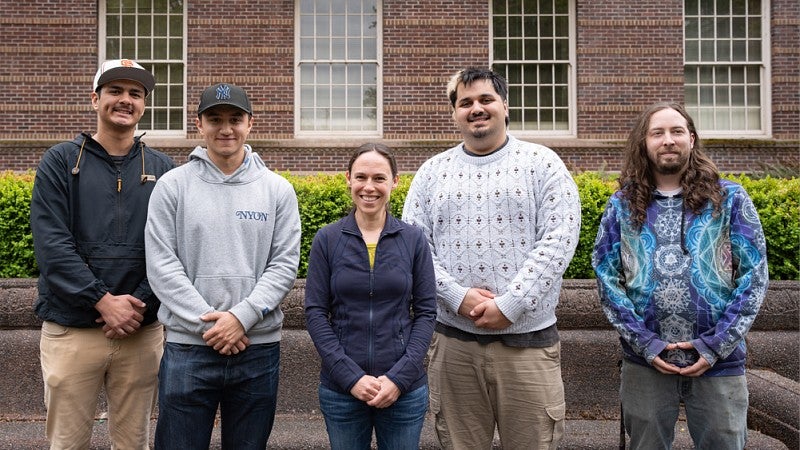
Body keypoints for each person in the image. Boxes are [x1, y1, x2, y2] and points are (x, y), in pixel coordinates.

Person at [401, 67, 581, 449]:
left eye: (486, 99)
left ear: (505, 106)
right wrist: (456, 296)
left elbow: (558, 240)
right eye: (465, 102)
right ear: (454, 114)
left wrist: (511, 304)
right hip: (454, 346)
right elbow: (414, 248)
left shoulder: (543, 164)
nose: (476, 108)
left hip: (528, 348)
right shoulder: (432, 173)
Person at [592, 102, 768, 449]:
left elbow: (753, 276)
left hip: (720, 362)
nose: (667, 140)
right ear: (644, 143)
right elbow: (606, 277)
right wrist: (646, 343)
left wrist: (715, 345)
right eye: (657, 133)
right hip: (646, 363)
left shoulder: (729, 199)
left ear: (691, 138)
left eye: (676, 131)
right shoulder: (622, 205)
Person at [145, 83, 301, 449]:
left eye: (235, 119)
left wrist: (240, 318)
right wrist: (213, 325)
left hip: (257, 348)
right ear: (199, 124)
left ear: (250, 124)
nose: (225, 128)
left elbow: (283, 265)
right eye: (215, 119)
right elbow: (161, 264)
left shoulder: (277, 190)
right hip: (188, 347)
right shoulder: (172, 187)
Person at [30, 58, 175, 449]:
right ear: (95, 99)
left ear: (144, 104)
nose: (125, 99)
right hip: (72, 330)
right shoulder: (60, 161)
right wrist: (101, 299)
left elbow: (173, 249)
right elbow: (52, 245)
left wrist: (137, 305)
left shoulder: (164, 169)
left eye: (135, 93)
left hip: (140, 332)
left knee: (134, 443)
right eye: (115, 91)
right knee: (67, 442)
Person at [305, 143, 437, 449]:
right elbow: (315, 312)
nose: (369, 187)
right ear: (348, 179)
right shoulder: (328, 239)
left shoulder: (413, 239)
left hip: (403, 392)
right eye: (361, 177)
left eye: (379, 178)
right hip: (341, 391)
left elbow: (427, 312)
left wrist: (399, 378)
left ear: (394, 182)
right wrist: (350, 377)